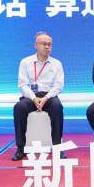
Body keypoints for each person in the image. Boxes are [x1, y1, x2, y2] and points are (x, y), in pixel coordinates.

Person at [13, 32, 65, 161]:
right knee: (19, 107)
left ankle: (57, 147)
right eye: (44, 44)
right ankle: (20, 148)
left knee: (57, 107)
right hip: (31, 97)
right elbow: (22, 85)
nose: (47, 46)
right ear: (36, 45)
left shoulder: (57, 63)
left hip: (49, 96)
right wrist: (34, 98)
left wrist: (46, 98)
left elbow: (59, 85)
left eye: (49, 44)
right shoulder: (25, 62)